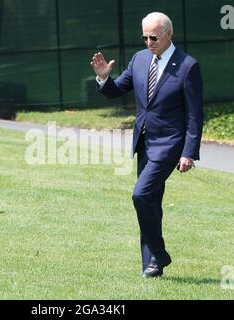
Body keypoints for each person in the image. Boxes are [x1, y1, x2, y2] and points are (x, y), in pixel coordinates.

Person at [90, 12, 203, 277]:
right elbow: (117, 89)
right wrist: (104, 78)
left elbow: (195, 115)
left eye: (153, 37)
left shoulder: (188, 66)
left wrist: (189, 152)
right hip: (144, 141)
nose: (148, 42)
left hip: (170, 144)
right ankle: (151, 264)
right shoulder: (140, 59)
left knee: (140, 194)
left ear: (168, 35)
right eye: (145, 37)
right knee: (149, 200)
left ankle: (159, 254)